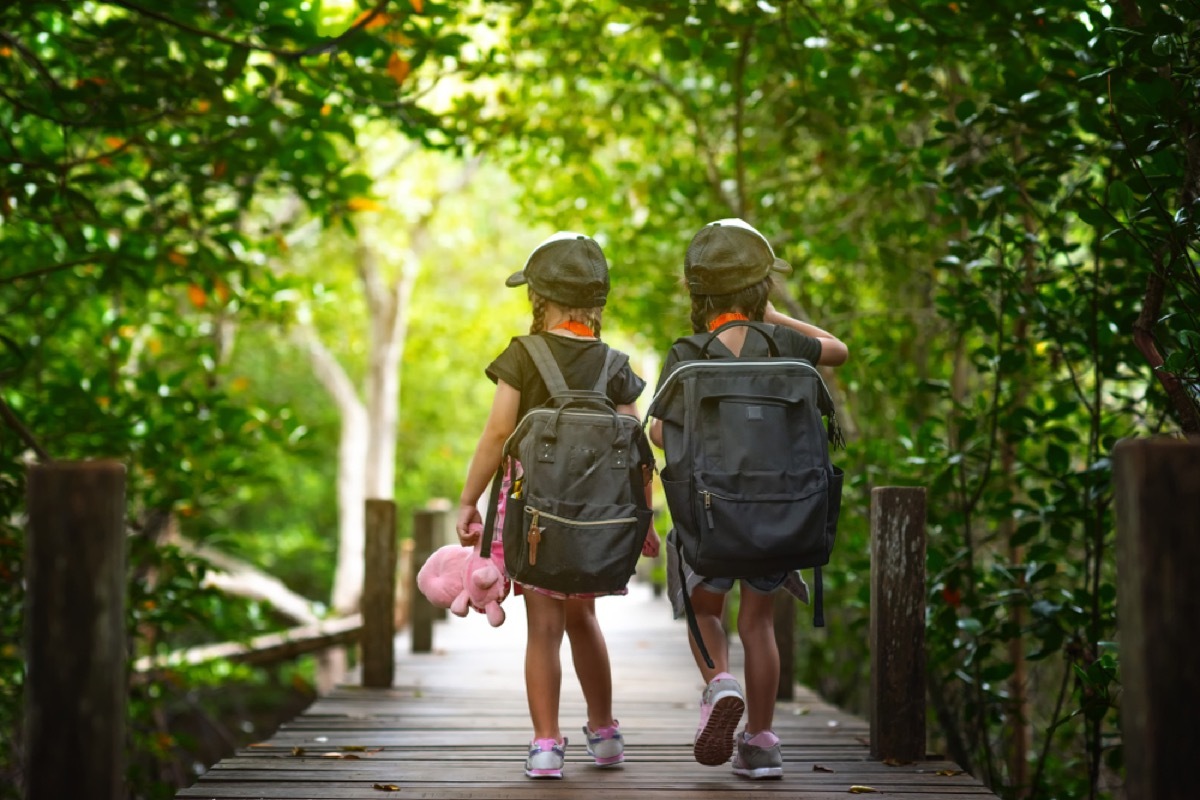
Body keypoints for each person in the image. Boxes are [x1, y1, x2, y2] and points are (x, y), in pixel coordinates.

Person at [648, 218, 849, 780]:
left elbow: (660, 432)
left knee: (705, 611)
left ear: (698, 293)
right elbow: (839, 350)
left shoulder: (688, 353)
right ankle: (761, 744)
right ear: (762, 287)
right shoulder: (786, 345)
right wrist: (773, 318)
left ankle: (720, 684)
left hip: (711, 517)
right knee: (759, 624)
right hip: (780, 514)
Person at [456, 231, 660, 780]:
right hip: (597, 522)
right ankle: (605, 734)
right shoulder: (614, 363)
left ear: (538, 298)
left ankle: (546, 745)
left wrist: (469, 500)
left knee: (543, 628)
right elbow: (637, 451)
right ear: (596, 302)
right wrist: (643, 518)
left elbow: (497, 433)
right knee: (584, 619)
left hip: (535, 520)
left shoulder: (523, 355)